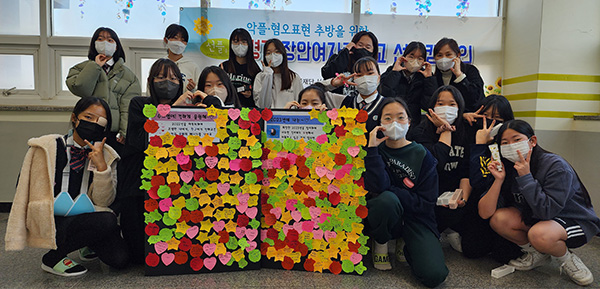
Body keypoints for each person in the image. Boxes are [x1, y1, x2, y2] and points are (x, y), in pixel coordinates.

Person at [5, 97, 129, 276]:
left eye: (101, 122)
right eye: (88, 117)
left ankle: (87, 241)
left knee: (120, 259)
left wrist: (102, 168)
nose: (94, 124)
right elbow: (25, 188)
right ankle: (52, 258)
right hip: (54, 219)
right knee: (106, 221)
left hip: (88, 218)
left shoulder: (108, 155)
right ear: (74, 118)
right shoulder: (48, 147)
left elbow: (105, 201)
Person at [117, 59, 223, 264]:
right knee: (138, 256)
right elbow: (142, 141)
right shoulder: (141, 104)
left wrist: (207, 100)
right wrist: (173, 109)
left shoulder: (191, 109)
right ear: (150, 81)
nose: (168, 83)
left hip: (175, 184)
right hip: (139, 183)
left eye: (174, 78)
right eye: (162, 77)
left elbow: (218, 123)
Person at [480, 120, 600, 286]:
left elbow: (547, 211)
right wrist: (498, 181)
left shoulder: (555, 166)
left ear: (532, 141)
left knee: (539, 234)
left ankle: (568, 259)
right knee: (499, 219)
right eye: (504, 143)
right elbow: (485, 213)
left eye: (516, 140)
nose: (511, 146)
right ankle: (537, 254)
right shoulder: (506, 167)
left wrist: (526, 177)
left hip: (573, 219)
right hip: (540, 218)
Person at [364, 97, 448, 288]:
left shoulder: (423, 155)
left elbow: (426, 203)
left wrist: (391, 191)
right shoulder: (374, 151)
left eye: (401, 117)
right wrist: (372, 150)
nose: (394, 123)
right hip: (386, 214)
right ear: (379, 124)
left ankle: (407, 243)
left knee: (434, 275)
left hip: (417, 218)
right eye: (387, 118)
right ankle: (382, 241)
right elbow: (376, 188)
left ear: (409, 122)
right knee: (385, 201)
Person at [408, 85, 471, 253]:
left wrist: (462, 199)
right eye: (440, 103)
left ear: (460, 107)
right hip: (427, 196)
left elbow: (466, 169)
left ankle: (450, 228)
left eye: (452, 104)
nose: (446, 108)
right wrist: (446, 131)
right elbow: (436, 162)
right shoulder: (420, 132)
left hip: (453, 196)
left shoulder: (466, 131)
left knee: (473, 247)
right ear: (432, 108)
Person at [463, 94, 522, 261]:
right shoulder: (473, 137)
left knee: (504, 255)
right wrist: (480, 145)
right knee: (472, 251)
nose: (490, 122)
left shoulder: (508, 144)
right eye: (486, 117)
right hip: (481, 201)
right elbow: (479, 180)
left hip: (506, 204)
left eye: (497, 118)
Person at [66, 27, 141, 153]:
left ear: (116, 46)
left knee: (110, 168)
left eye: (110, 40)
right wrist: (94, 66)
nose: (105, 43)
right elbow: (81, 89)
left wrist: (124, 131)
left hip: (113, 132)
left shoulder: (129, 76)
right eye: (100, 39)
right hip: (87, 128)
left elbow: (127, 106)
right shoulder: (81, 68)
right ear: (94, 44)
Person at [323, 56, 386, 133]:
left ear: (379, 77)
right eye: (359, 75)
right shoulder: (342, 101)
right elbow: (311, 91)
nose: (365, 78)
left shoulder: (388, 105)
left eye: (370, 73)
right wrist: (333, 83)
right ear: (353, 79)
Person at [379, 41, 436, 126]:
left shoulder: (425, 77)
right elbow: (385, 94)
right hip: (391, 121)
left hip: (414, 124)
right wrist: (395, 73)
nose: (414, 61)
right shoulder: (392, 71)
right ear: (404, 57)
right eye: (411, 57)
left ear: (424, 62)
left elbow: (428, 105)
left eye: (420, 58)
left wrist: (429, 79)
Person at [432, 37, 484, 112]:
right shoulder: (434, 77)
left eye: (448, 54)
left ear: (457, 55)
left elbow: (476, 98)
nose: (444, 59)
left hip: (470, 118)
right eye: (439, 55)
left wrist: (460, 76)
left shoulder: (470, 70)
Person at [253, 38, 304, 108]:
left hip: (289, 117)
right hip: (269, 118)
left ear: (283, 54)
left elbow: (300, 104)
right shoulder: (260, 77)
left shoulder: (293, 77)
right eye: (268, 53)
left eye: (277, 52)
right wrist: (267, 76)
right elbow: (262, 105)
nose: (272, 55)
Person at [220, 28, 262, 107]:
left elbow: (259, 97)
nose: (240, 45)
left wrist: (251, 95)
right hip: (227, 110)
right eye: (236, 41)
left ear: (249, 44)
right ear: (231, 44)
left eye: (244, 42)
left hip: (247, 112)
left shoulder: (255, 69)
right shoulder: (224, 66)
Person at [163, 24, 201, 94]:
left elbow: (200, 92)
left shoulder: (192, 66)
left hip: (185, 104)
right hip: (163, 104)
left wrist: (193, 89)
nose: (179, 42)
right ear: (166, 40)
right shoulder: (160, 65)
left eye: (183, 40)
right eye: (175, 38)